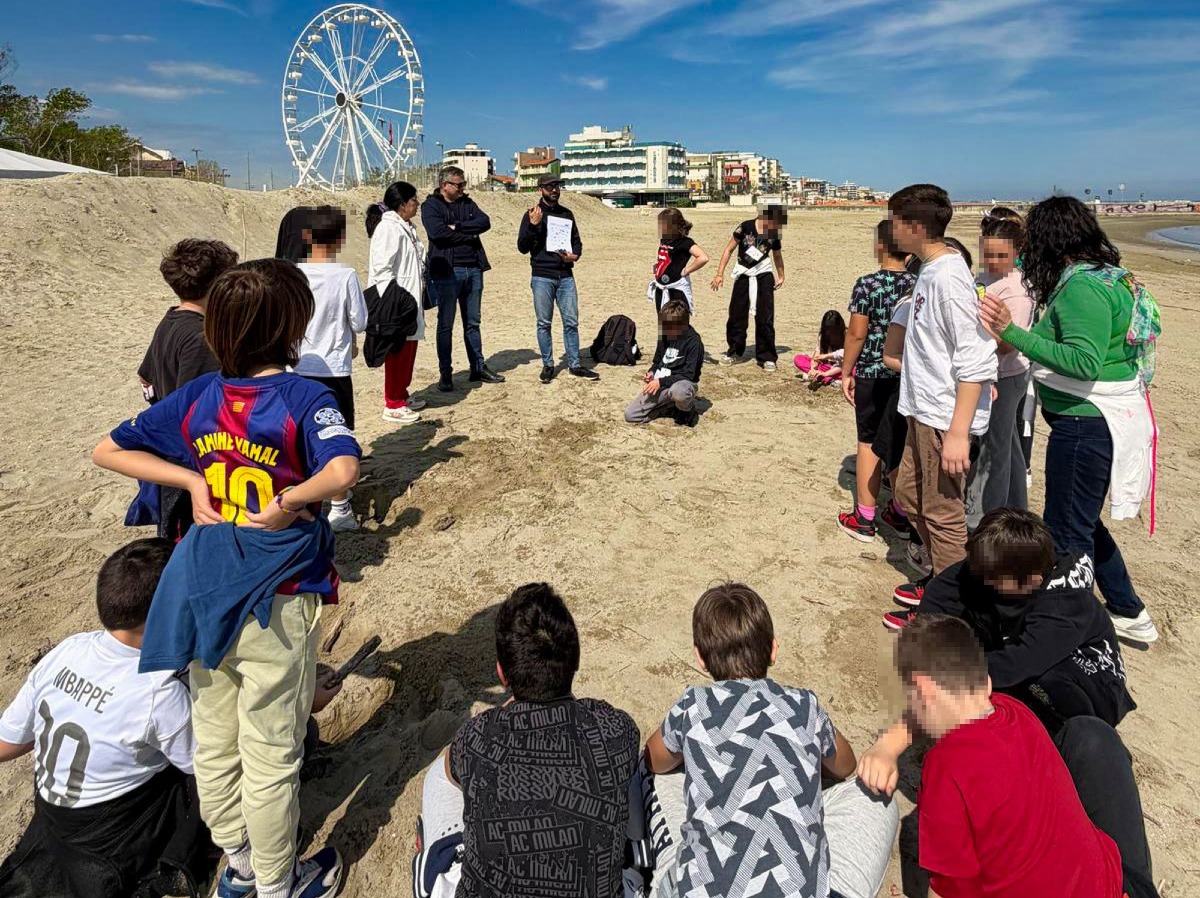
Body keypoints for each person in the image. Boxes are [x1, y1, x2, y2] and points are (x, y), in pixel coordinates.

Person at [92, 259, 360, 898]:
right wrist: (290, 499)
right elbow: (343, 471)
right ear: (291, 326)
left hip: (202, 582)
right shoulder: (303, 397)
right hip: (275, 589)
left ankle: (237, 864)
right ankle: (277, 882)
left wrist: (190, 479)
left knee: (214, 735)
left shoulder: (199, 397)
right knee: (271, 748)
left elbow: (107, 448)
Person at [980, 196, 1160, 646]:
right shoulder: (1107, 275)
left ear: (1051, 240)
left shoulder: (1083, 287)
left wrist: (1012, 331)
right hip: (1096, 422)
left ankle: (1065, 630)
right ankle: (1127, 609)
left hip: (1086, 425)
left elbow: (1083, 361)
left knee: (1065, 534)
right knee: (1083, 520)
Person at [645, 583, 897, 898]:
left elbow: (654, 759)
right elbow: (845, 765)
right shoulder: (804, 705)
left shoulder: (692, 705)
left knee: (660, 776)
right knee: (875, 793)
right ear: (774, 650)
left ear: (700, 658)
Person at [0, 539, 213, 898]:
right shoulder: (157, 689)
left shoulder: (69, 649)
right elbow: (207, 766)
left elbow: (9, 742)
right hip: (111, 835)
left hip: (53, 814)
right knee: (204, 776)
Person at [881, 614, 1130, 898]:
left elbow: (954, 884)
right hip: (1106, 884)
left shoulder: (945, 766)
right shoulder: (1017, 712)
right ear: (986, 683)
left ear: (923, 693)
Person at [420, 583, 640, 898]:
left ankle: (437, 858)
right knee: (633, 774)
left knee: (438, 778)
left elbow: (452, 773)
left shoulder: (477, 736)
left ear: (501, 674)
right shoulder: (617, 729)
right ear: (576, 660)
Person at [882, 508, 1136, 729]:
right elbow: (936, 606)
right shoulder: (988, 568)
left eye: (992, 579)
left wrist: (955, 675)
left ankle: (1057, 738)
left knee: (1041, 678)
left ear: (1033, 580)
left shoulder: (1065, 602)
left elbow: (1024, 661)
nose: (981, 579)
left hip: (1090, 686)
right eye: (978, 571)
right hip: (1019, 657)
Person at [889, 184, 997, 581]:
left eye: (895, 223)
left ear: (915, 228)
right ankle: (943, 576)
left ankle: (950, 599)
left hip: (943, 417)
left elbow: (976, 356)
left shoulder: (949, 278)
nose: (890, 231)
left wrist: (958, 432)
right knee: (906, 493)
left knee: (943, 513)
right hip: (922, 410)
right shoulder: (931, 270)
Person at [134, 238, 240, 540]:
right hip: (191, 463)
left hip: (171, 454)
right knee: (189, 538)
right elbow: (198, 405)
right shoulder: (201, 337)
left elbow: (145, 377)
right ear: (218, 286)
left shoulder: (171, 320)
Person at [836, 221, 918, 542]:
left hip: (872, 372)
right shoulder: (918, 284)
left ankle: (864, 518)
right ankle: (899, 512)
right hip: (906, 375)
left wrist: (846, 371)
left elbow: (856, 333)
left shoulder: (867, 285)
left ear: (880, 246)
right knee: (900, 443)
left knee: (869, 441)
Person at [295, 205, 368, 532]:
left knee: (301, 436)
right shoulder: (345, 276)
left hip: (297, 367)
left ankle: (304, 499)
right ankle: (340, 508)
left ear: (306, 236)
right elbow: (360, 321)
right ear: (340, 239)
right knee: (336, 435)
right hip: (335, 369)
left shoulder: (293, 274)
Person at [965, 213, 1036, 532]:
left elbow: (1009, 344)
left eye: (1000, 255)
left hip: (1006, 376)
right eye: (987, 253)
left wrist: (968, 340)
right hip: (988, 371)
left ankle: (988, 518)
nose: (992, 260)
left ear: (1016, 252)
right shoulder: (985, 277)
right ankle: (1016, 507)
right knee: (1008, 443)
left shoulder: (1017, 290)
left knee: (994, 449)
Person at [420, 166, 504, 392]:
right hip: (447, 272)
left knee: (473, 323)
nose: (462, 188)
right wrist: (469, 234)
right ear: (444, 185)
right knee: (445, 324)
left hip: (474, 269)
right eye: (459, 185)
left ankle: (477, 367)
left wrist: (457, 227)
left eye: (463, 184)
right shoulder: (431, 206)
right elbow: (437, 233)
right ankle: (445, 373)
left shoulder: (468, 203)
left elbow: (485, 222)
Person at [517, 173, 598, 383]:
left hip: (566, 275)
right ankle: (548, 365)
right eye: (550, 186)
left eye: (557, 186)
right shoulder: (532, 214)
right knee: (544, 323)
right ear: (540, 189)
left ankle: (575, 365)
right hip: (542, 276)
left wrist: (575, 255)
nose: (554, 190)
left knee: (571, 322)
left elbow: (576, 241)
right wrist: (533, 225)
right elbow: (522, 247)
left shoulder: (566, 214)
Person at [367, 181, 428, 425]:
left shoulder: (406, 227)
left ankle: (402, 394)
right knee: (397, 351)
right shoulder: (388, 228)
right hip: (397, 301)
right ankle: (392, 402)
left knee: (409, 348)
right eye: (414, 200)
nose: (417, 204)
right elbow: (382, 269)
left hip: (411, 298)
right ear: (402, 204)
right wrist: (397, 299)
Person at [711, 206, 786, 370]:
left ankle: (767, 356)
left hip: (764, 274)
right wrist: (719, 274)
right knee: (736, 314)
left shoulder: (774, 233)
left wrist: (781, 275)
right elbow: (729, 249)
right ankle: (734, 352)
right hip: (743, 273)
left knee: (765, 316)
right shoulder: (745, 226)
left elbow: (777, 255)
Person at [624, 299, 703, 427]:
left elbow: (689, 375)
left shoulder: (694, 342)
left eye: (668, 327)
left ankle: (686, 410)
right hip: (661, 383)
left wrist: (661, 382)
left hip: (682, 383)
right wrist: (652, 372)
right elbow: (657, 361)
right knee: (631, 415)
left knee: (679, 392)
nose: (664, 329)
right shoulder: (664, 335)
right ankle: (668, 408)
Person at [647, 209, 708, 314]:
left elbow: (703, 257)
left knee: (678, 321)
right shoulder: (664, 239)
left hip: (676, 289)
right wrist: (657, 271)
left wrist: (687, 270)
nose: (661, 227)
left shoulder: (685, 242)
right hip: (661, 288)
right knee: (662, 319)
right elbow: (663, 257)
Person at [793, 309, 846, 385]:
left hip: (841, 367)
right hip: (826, 366)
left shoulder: (847, 336)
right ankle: (824, 377)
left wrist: (826, 371)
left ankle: (824, 377)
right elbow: (816, 357)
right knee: (798, 359)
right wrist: (813, 369)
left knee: (854, 370)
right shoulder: (823, 337)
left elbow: (846, 361)